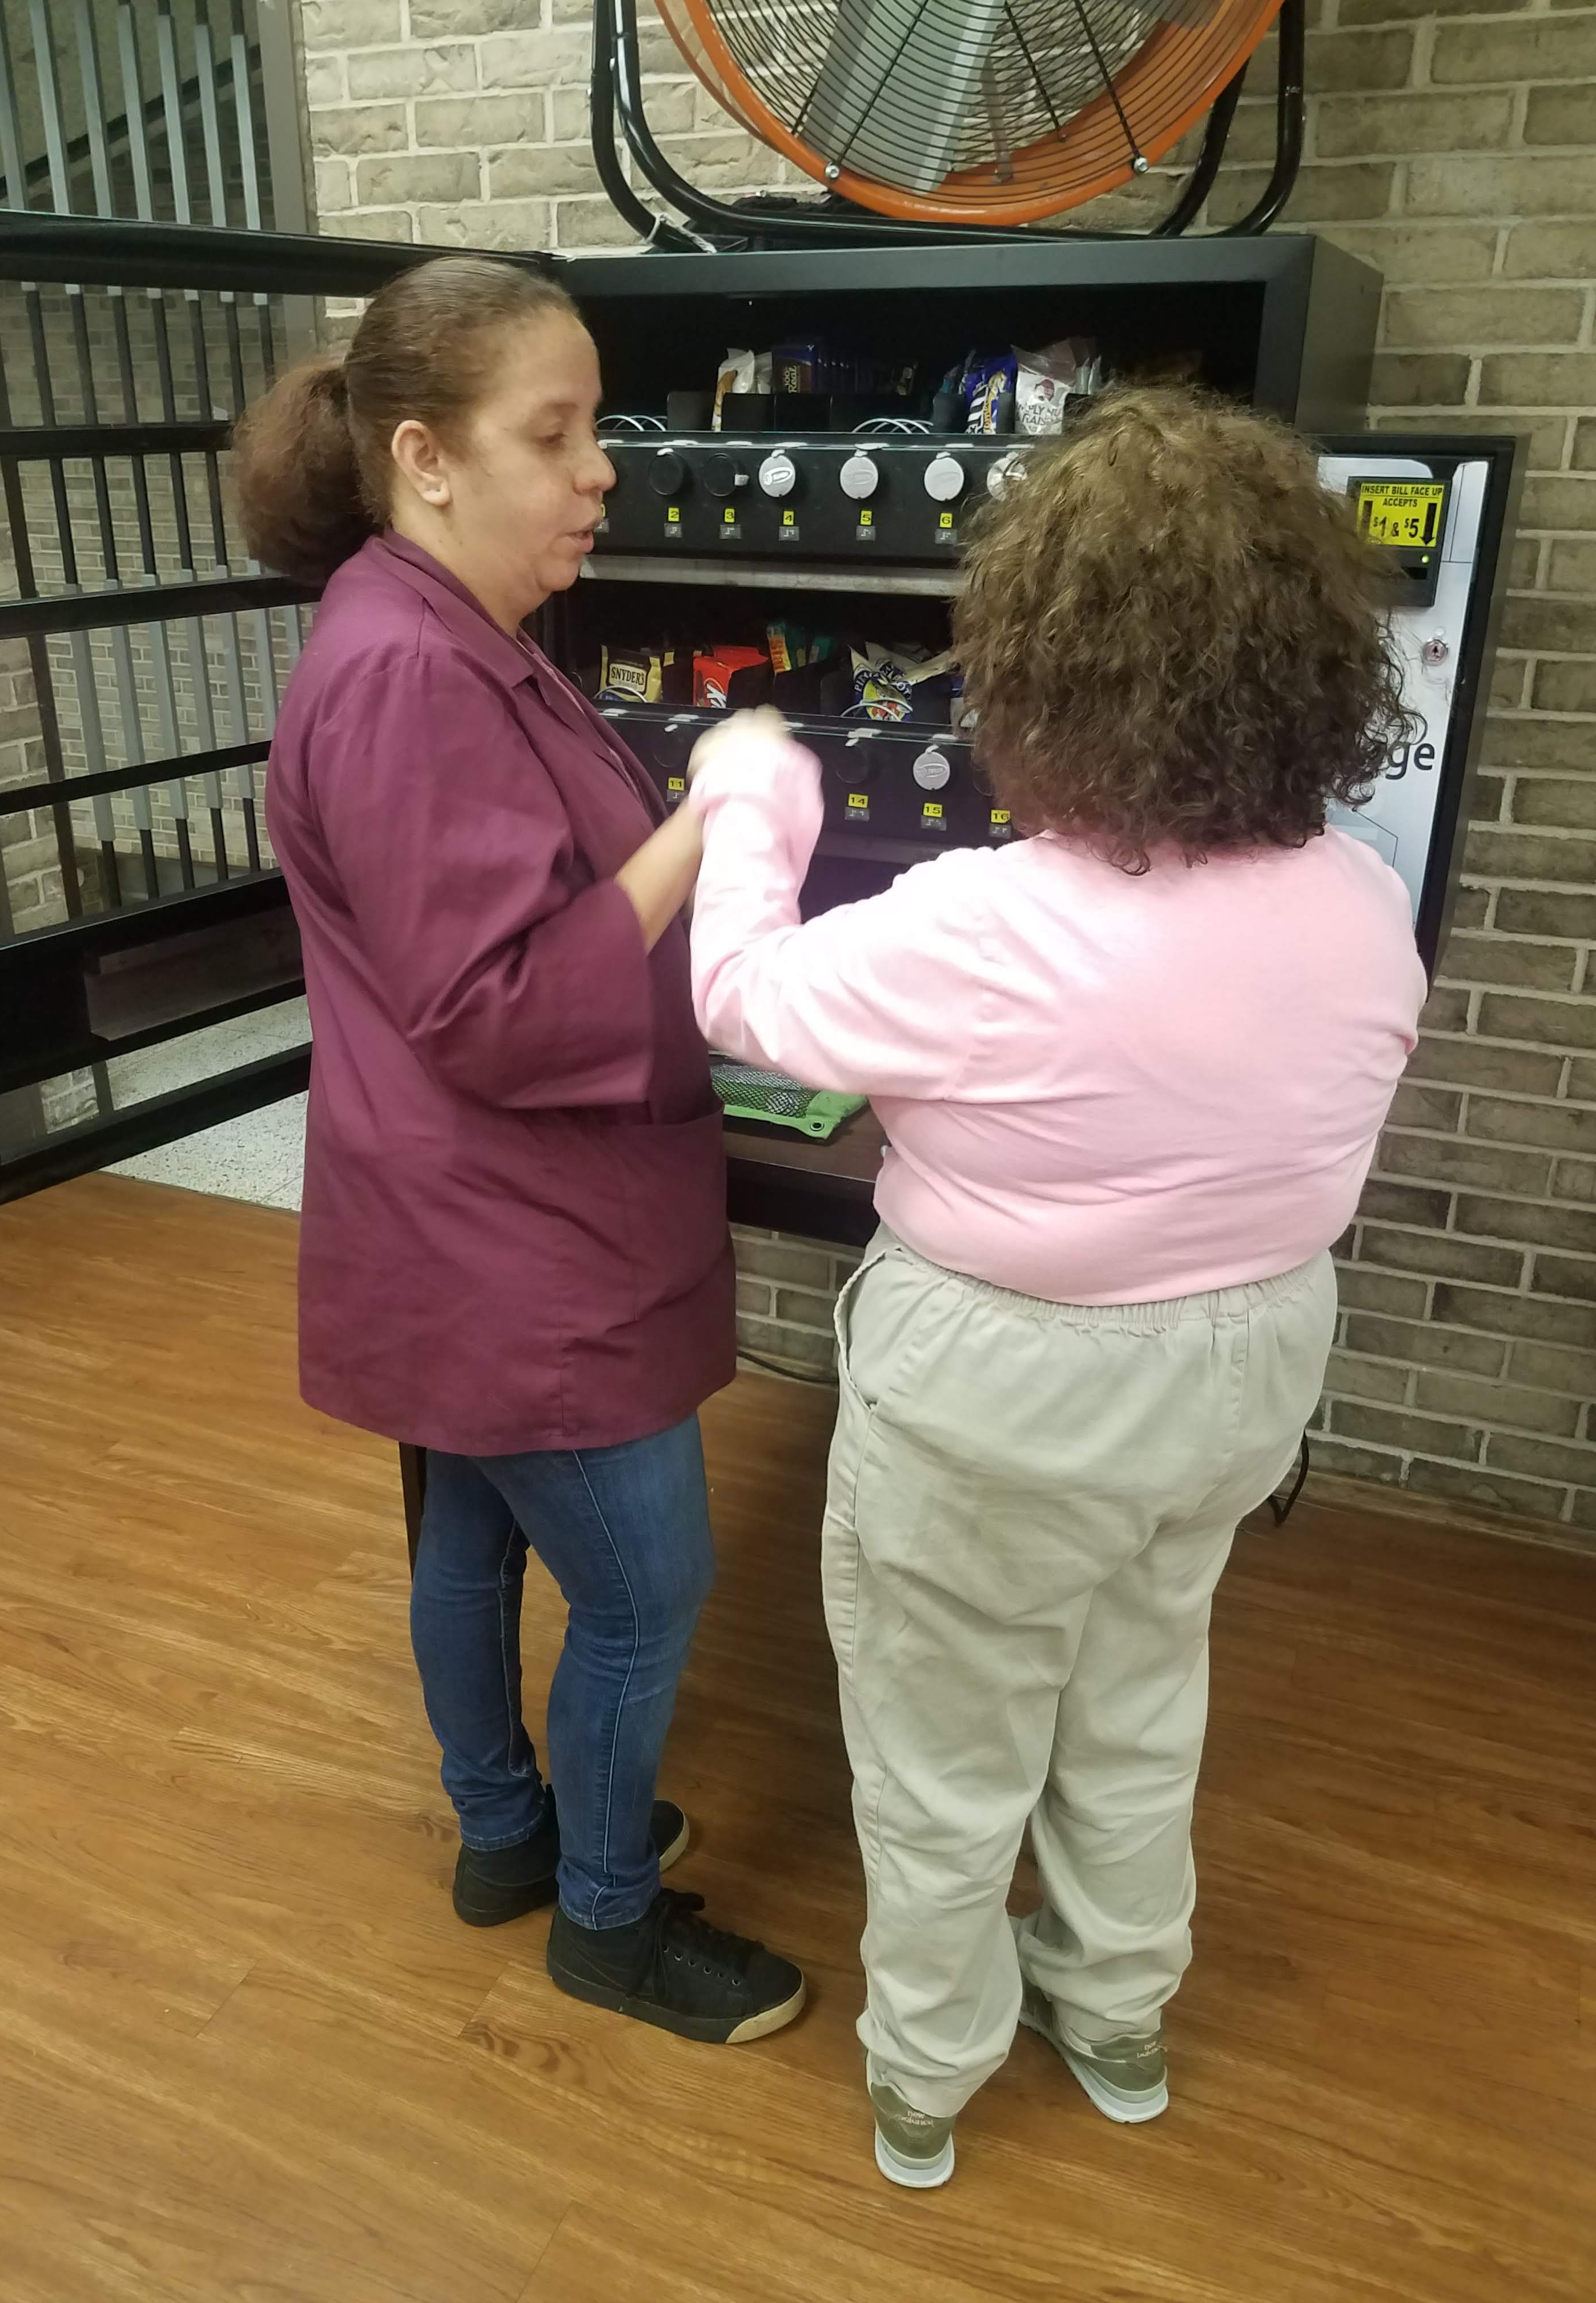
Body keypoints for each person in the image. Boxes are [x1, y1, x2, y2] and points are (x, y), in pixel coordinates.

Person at [685, 389, 1425, 2181]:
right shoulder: (1359, 895)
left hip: (1009, 1391)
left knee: (950, 1746)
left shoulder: (989, 923)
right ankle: (1115, 2013)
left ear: (1043, 663)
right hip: (1248, 1371)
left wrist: (748, 802)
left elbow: (745, 1005)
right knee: (1140, 1685)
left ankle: (928, 2080)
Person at [236, 256, 803, 2047]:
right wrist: (708, 826)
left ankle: (508, 1835)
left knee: (475, 1532)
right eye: (554, 438)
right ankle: (607, 1924)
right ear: (423, 455)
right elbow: (498, 1003)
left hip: (464, 1220)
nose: (600, 475)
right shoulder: (409, 672)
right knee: (646, 1592)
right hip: (513, 1237)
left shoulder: (454, 639)